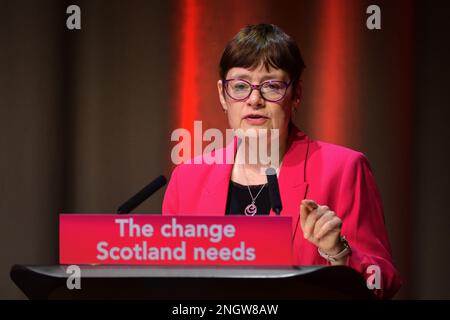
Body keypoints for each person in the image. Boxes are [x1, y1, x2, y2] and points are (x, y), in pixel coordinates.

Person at [162, 23, 401, 299]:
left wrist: (340, 255)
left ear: (296, 94)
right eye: (240, 86)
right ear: (222, 94)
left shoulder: (344, 169)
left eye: (271, 86)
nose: (254, 99)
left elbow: (383, 283)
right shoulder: (187, 179)